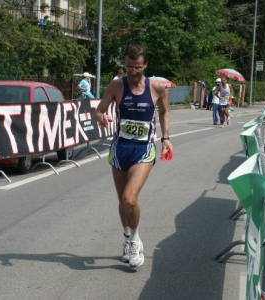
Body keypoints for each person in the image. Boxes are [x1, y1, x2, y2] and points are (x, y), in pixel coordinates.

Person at [93, 45, 173, 268]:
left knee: (130, 199)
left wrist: (165, 137)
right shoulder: (117, 85)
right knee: (122, 203)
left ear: (145, 65)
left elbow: (165, 112)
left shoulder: (157, 87)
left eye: (137, 67)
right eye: (129, 67)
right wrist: (100, 117)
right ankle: (128, 240)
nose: (133, 71)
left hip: (143, 149)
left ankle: (136, 239)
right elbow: (99, 109)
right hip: (120, 149)